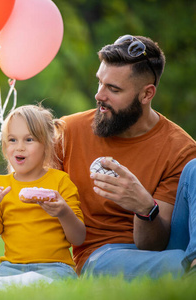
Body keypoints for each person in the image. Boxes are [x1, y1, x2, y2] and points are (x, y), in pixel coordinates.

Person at [58, 34, 196, 279]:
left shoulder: (181, 148)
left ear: (146, 94)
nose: (99, 95)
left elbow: (152, 244)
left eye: (113, 89)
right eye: (100, 82)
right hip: (103, 254)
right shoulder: (67, 133)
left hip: (168, 247)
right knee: (179, 263)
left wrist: (143, 206)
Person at [0, 105, 86, 287]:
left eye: (29, 139)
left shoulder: (60, 181)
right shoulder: (1, 185)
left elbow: (78, 238)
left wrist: (63, 212)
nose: (20, 148)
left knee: (40, 284)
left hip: (55, 267)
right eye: (13, 140)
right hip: (11, 268)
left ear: (46, 145)